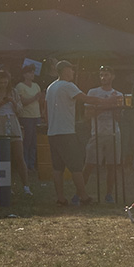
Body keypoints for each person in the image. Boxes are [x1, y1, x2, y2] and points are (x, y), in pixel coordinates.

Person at [83, 65, 126, 203]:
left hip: (113, 132)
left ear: (112, 77)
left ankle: (109, 194)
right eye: (101, 75)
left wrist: (115, 107)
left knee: (112, 165)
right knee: (89, 164)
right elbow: (87, 114)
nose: (103, 78)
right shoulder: (93, 92)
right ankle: (80, 193)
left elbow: (119, 117)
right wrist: (107, 105)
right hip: (97, 132)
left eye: (106, 75)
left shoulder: (118, 95)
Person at [43, 61, 84, 204]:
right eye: (71, 69)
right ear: (65, 70)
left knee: (57, 168)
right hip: (66, 132)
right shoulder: (68, 86)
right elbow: (85, 98)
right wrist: (106, 102)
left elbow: (45, 110)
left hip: (53, 132)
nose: (73, 72)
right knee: (76, 166)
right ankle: (84, 196)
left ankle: (60, 198)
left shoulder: (51, 87)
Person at [13, 60, 44, 187]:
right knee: (26, 142)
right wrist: (34, 98)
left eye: (33, 72)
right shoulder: (20, 87)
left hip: (36, 116)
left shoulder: (36, 85)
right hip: (26, 117)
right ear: (24, 74)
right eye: (30, 73)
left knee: (34, 142)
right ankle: (25, 165)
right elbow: (22, 102)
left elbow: (40, 101)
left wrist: (42, 112)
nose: (32, 75)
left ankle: (32, 165)